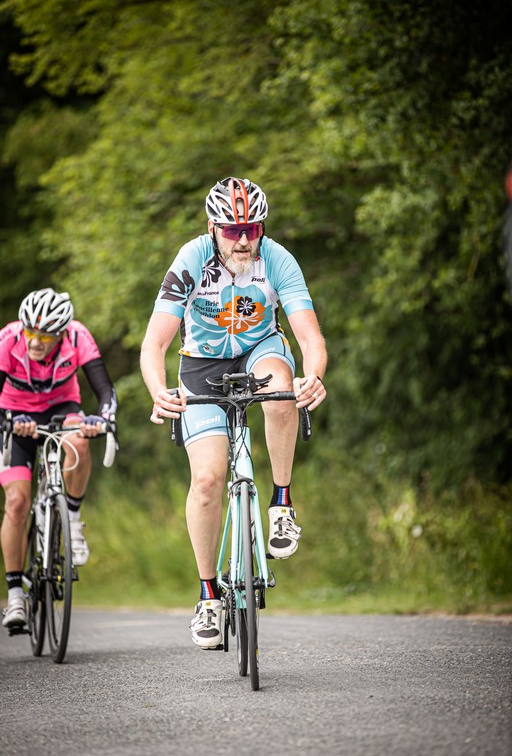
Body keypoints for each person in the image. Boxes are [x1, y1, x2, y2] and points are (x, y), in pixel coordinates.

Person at [140, 176, 327, 649]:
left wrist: (313, 375)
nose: (243, 240)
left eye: (252, 229)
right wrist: (158, 390)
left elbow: (309, 337)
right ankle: (208, 595)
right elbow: (155, 343)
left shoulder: (277, 259)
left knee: (282, 390)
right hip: (201, 365)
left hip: (259, 350)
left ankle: (281, 502)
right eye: (232, 230)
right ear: (212, 228)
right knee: (207, 480)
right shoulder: (191, 259)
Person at [0, 288, 117, 630]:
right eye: (31, 333)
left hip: (61, 408)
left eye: (45, 336)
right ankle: (15, 595)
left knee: (79, 441)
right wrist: (9, 421)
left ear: (62, 333)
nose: (35, 342)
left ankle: (73, 518)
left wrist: (103, 419)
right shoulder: (8, 339)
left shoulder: (78, 336)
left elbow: (105, 390)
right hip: (14, 413)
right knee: (17, 503)